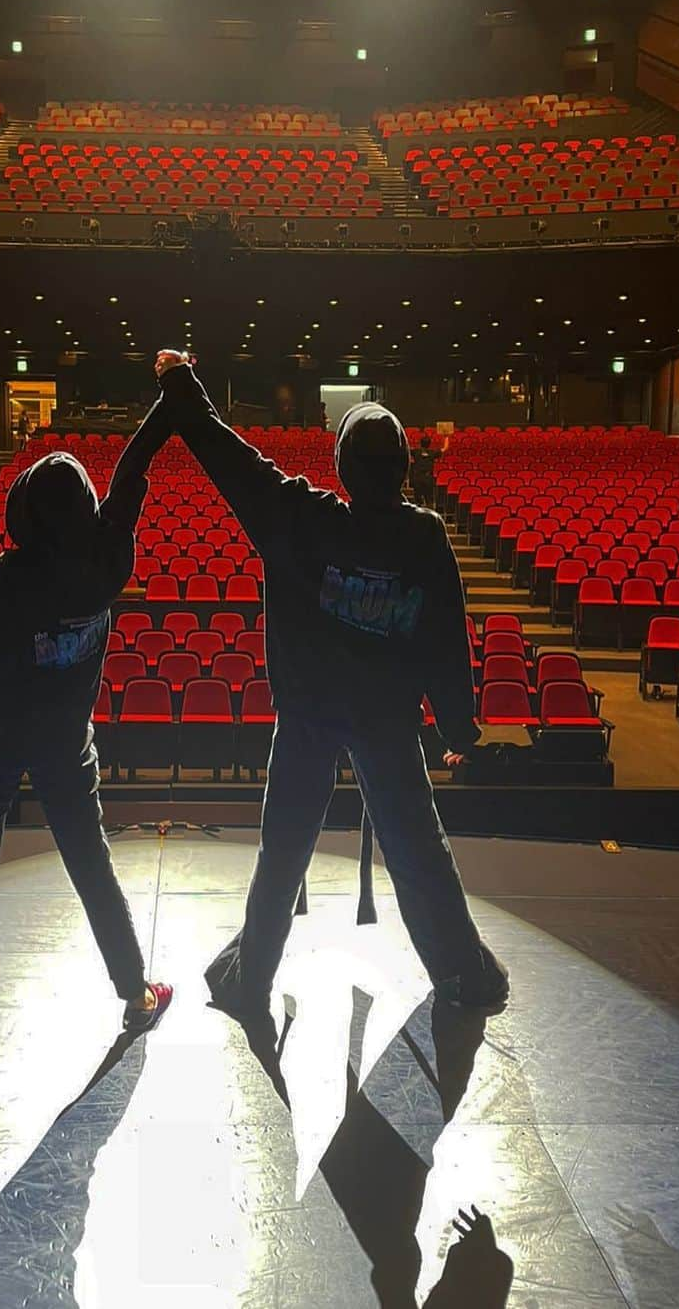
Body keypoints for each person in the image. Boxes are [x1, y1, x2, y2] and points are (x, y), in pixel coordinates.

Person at [154, 350, 508, 1020]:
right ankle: (466, 976)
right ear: (405, 467)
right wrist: (458, 728)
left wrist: (180, 381)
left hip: (309, 719)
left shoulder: (299, 519)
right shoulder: (426, 538)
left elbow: (225, 455)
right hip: (387, 723)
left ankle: (249, 978)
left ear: (341, 468)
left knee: (282, 852)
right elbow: (445, 640)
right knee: (419, 855)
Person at [0, 393, 175, 1040]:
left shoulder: (13, 573)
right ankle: (136, 994)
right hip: (65, 742)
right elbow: (133, 472)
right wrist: (172, 399)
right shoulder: (109, 560)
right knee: (91, 864)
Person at [410, 433, 441, 508]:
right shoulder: (432, 453)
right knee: (429, 499)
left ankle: (417, 516)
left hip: (418, 478)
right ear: (429, 444)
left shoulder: (416, 451)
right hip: (428, 478)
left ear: (420, 444)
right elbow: (445, 448)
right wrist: (446, 436)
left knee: (418, 500)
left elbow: (405, 448)